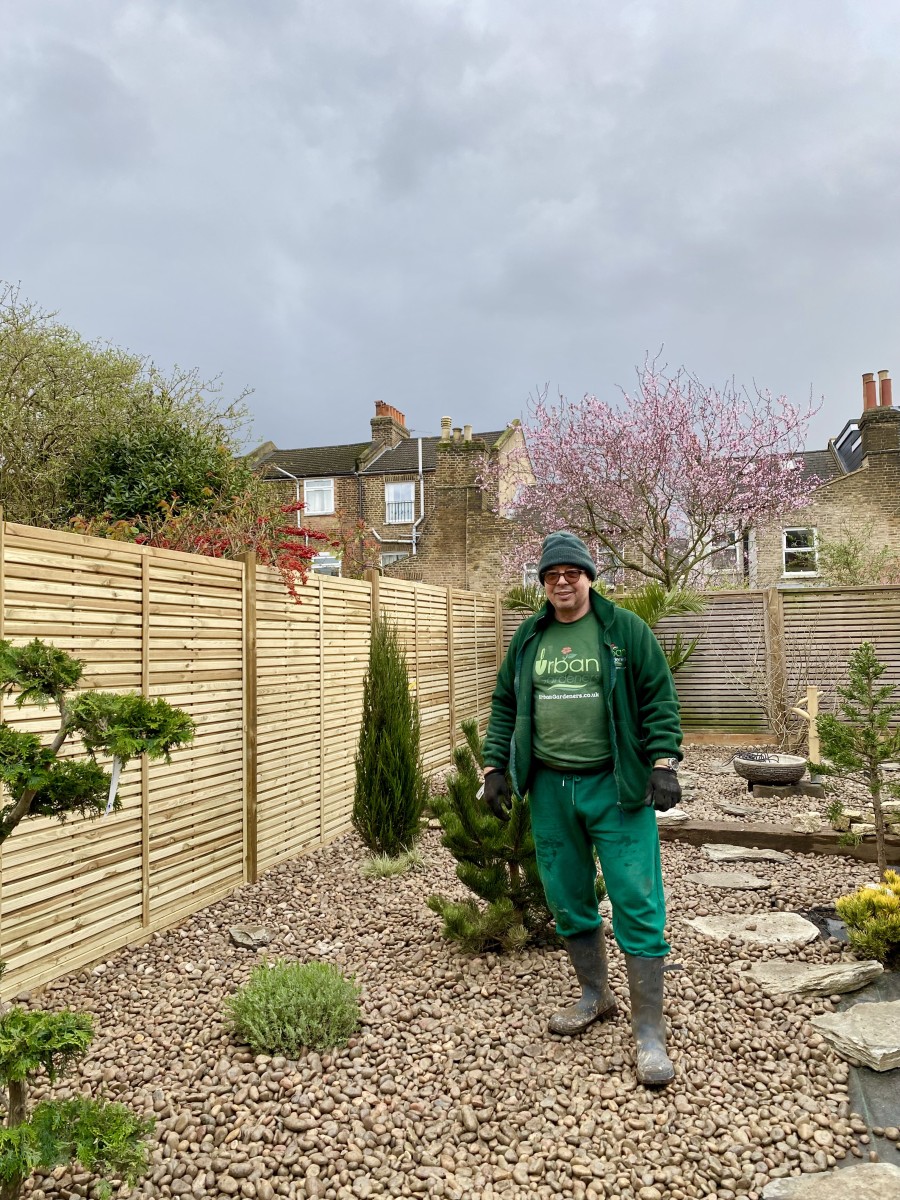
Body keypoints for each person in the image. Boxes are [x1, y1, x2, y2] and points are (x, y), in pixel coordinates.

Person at [481, 531, 683, 1087]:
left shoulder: (624, 631)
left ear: (589, 577)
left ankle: (649, 1031)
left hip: (616, 787)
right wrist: (493, 767)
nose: (562, 582)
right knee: (567, 898)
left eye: (572, 573)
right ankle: (595, 995)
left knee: (637, 899)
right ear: (543, 584)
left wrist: (663, 762)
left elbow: (659, 697)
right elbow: (504, 703)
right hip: (550, 789)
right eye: (552, 576)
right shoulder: (530, 637)